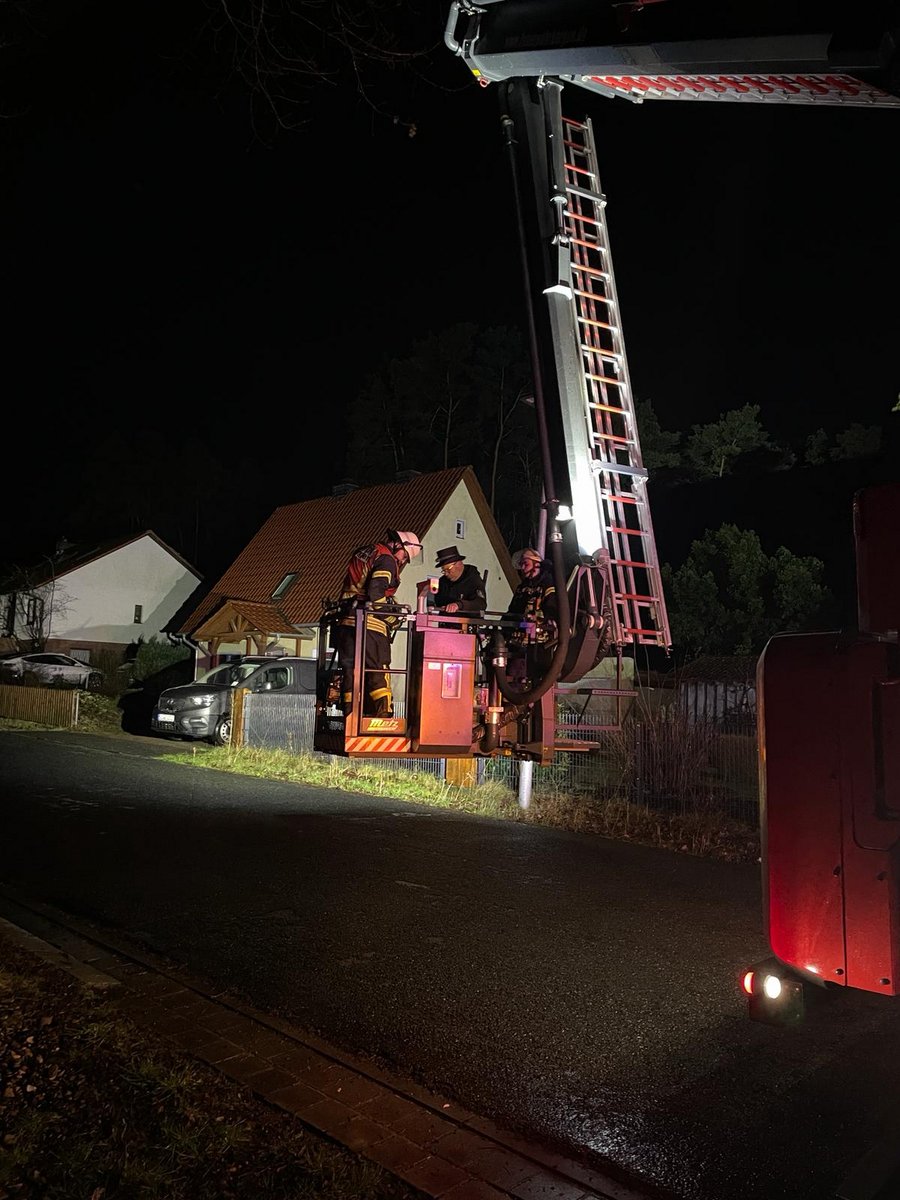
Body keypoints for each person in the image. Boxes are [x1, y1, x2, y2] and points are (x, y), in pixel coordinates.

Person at [335, 529, 421, 716]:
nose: (402, 561)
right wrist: (391, 618)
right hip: (370, 624)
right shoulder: (387, 560)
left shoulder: (367, 552)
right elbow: (376, 594)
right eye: (405, 556)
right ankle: (383, 715)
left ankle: (351, 715)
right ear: (398, 544)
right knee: (379, 668)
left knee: (351, 670)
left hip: (347, 621)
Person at [503, 547, 559, 687]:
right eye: (522, 564)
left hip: (538, 646)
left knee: (531, 683)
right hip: (517, 644)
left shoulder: (548, 585)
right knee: (510, 679)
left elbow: (553, 611)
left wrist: (540, 619)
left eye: (525, 564)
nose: (523, 568)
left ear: (536, 564)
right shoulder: (522, 588)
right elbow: (511, 612)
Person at [433, 545, 487, 616]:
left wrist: (459, 605)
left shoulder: (472, 577)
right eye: (444, 570)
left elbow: (481, 604)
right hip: (446, 621)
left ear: (459, 563)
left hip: (468, 621)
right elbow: (438, 602)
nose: (446, 573)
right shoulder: (442, 582)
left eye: (448, 569)